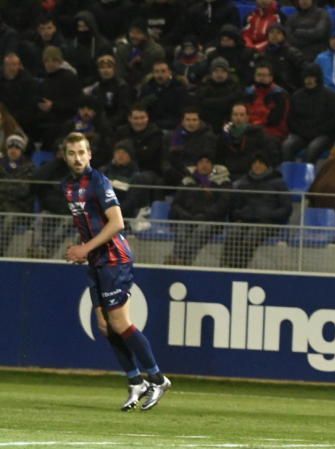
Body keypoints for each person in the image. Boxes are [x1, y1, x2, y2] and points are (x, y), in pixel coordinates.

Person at [60, 132, 171, 411]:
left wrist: (85, 249)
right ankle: (136, 382)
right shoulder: (68, 187)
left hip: (114, 258)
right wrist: (85, 250)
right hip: (95, 261)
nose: (77, 158)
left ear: (90, 155)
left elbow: (117, 223)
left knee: (120, 324)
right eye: (72, 153)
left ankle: (157, 379)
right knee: (106, 326)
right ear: (65, 156)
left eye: (82, 152)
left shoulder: (98, 181)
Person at [223, 152, 291, 268]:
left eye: (260, 163)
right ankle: (225, 267)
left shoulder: (278, 184)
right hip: (245, 221)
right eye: (254, 163)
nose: (257, 166)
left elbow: (286, 208)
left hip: (267, 223)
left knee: (252, 235)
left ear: (267, 165)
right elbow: (234, 207)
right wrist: (240, 215)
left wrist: (269, 215)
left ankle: (238, 268)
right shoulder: (243, 183)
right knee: (233, 234)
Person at [167, 153, 231, 265]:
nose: (204, 165)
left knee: (201, 231)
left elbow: (223, 204)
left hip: (210, 221)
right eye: (201, 162)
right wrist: (185, 215)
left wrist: (205, 216)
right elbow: (176, 204)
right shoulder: (187, 181)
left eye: (207, 162)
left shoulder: (222, 182)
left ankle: (177, 259)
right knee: (182, 229)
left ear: (212, 166)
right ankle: (183, 264)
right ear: (196, 165)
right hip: (187, 218)